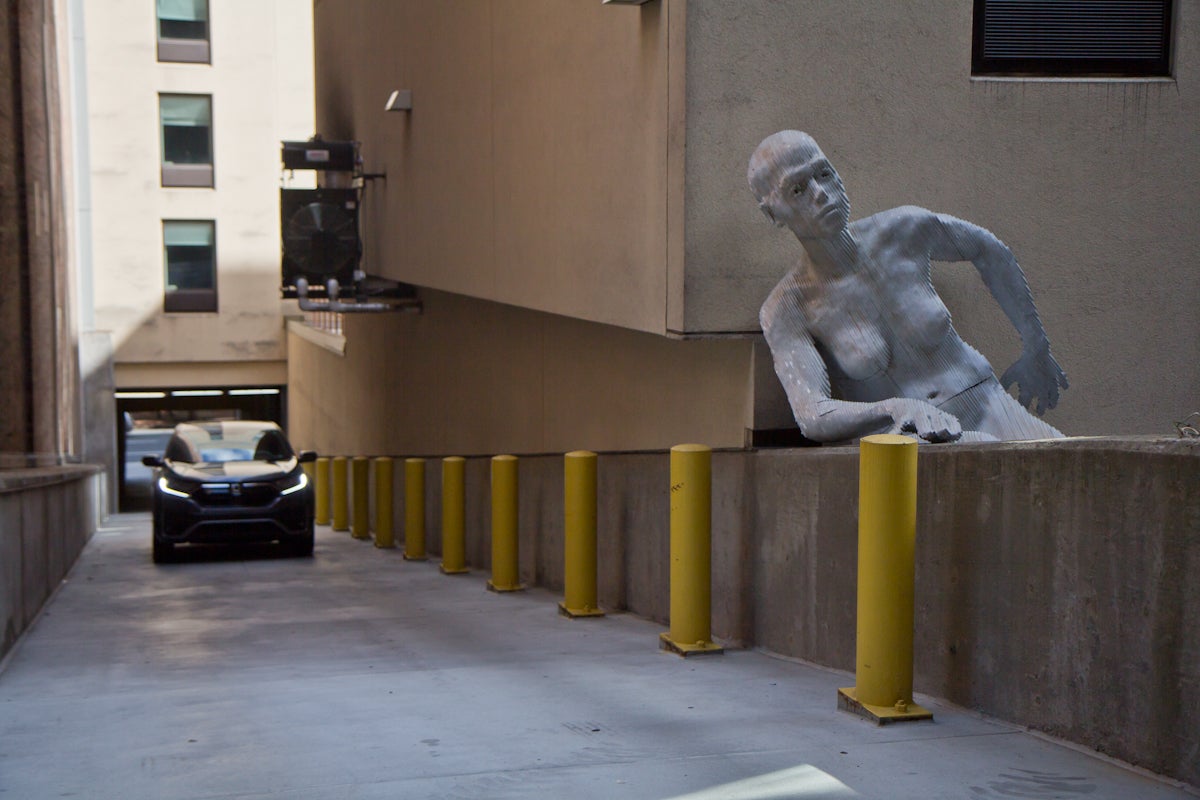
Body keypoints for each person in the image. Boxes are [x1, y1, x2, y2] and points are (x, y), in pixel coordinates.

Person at [748, 131, 1067, 443]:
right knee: (989, 458)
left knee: (1079, 465)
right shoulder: (788, 307)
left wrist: (1036, 346)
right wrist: (894, 409)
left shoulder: (901, 231)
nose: (821, 192)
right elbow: (812, 414)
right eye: (798, 189)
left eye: (824, 172)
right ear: (773, 213)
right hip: (915, 439)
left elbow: (988, 249)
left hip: (986, 401)